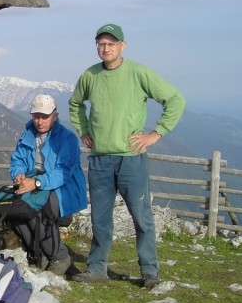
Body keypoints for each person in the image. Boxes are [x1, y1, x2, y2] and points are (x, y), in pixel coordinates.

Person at [68, 23, 186, 288]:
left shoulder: (138, 73)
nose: (106, 48)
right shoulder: (90, 75)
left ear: (123, 45)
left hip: (131, 157)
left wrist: (155, 134)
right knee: (100, 217)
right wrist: (84, 130)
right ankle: (97, 269)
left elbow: (175, 100)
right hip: (99, 159)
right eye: (101, 44)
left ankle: (149, 273)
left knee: (141, 217)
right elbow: (75, 104)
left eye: (111, 43)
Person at [9, 94, 87, 276]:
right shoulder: (28, 134)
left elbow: (63, 172)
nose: (40, 121)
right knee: (13, 209)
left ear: (55, 116)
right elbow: (17, 160)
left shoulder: (66, 138)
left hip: (63, 188)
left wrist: (37, 183)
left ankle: (59, 257)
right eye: (36, 116)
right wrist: (18, 174)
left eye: (45, 117)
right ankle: (40, 253)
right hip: (33, 183)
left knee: (42, 208)